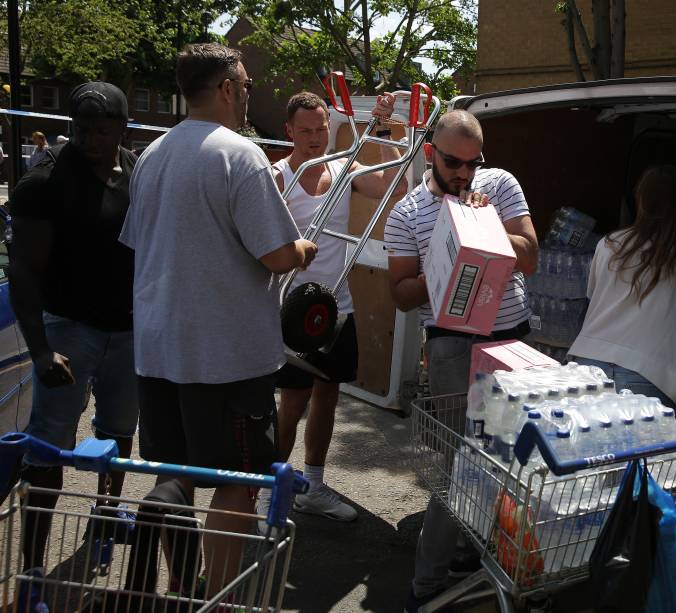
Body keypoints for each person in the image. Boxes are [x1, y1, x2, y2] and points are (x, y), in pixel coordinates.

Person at [120, 42, 316, 595]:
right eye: (248, 85)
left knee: (173, 476)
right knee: (237, 480)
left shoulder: (152, 155)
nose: (250, 95)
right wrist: (302, 249)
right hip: (226, 356)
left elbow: (141, 244)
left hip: (158, 350)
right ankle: (221, 599)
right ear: (228, 87)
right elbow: (277, 256)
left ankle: (184, 586)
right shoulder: (240, 154)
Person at [383, 109, 538, 611]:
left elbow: (531, 255)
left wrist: (484, 229)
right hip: (452, 345)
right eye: (454, 162)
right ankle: (425, 585)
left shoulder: (500, 185)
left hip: (511, 337)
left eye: (474, 163)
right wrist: (445, 260)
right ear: (430, 151)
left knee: (515, 459)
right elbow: (402, 294)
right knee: (461, 467)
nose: (465, 174)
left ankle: (474, 555)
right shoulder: (406, 213)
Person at [254, 91, 407, 527]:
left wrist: (380, 130)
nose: (316, 137)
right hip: (291, 312)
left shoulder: (345, 168)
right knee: (292, 403)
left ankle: (314, 486)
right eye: (306, 130)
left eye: (321, 128)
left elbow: (390, 188)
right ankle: (272, 493)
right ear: (289, 131)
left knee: (328, 397)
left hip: (336, 307)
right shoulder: (278, 177)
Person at [7, 82, 139, 572]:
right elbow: (22, 270)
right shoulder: (43, 183)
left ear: (122, 128)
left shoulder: (138, 174)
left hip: (128, 331)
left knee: (118, 435)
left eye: (101, 130)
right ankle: (33, 566)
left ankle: (104, 522)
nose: (89, 139)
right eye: (80, 129)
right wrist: (40, 350)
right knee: (48, 444)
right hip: (67, 330)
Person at [568, 165, 676, 408]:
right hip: (649, 373)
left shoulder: (609, 245)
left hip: (588, 362)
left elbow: (592, 296)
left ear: (641, 200)